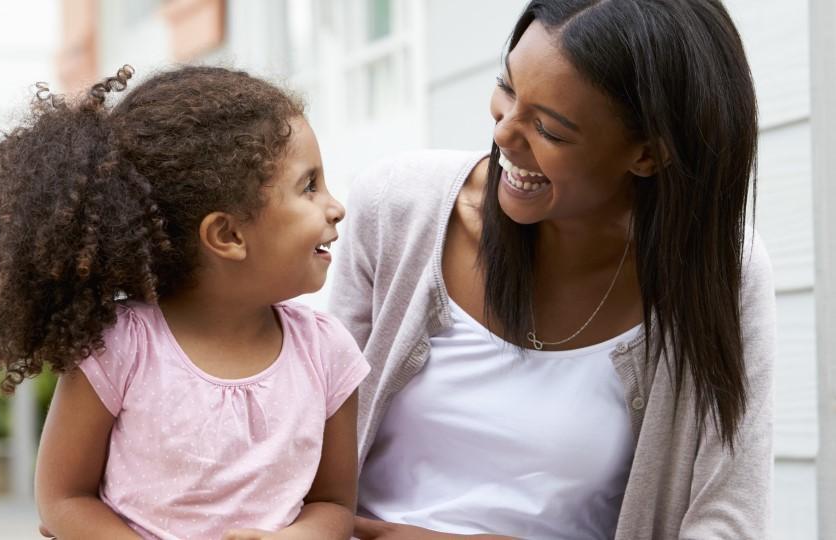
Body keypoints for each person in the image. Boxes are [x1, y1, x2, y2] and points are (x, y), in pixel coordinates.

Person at [331, 1, 775, 539]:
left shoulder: (720, 271)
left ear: (648, 155)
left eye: (550, 130)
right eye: (508, 88)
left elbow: (728, 520)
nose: (504, 135)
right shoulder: (397, 208)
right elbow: (300, 441)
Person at [0, 65, 369, 539]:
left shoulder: (327, 353)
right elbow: (64, 497)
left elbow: (332, 502)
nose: (335, 206)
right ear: (228, 235)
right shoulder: (123, 348)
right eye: (309, 186)